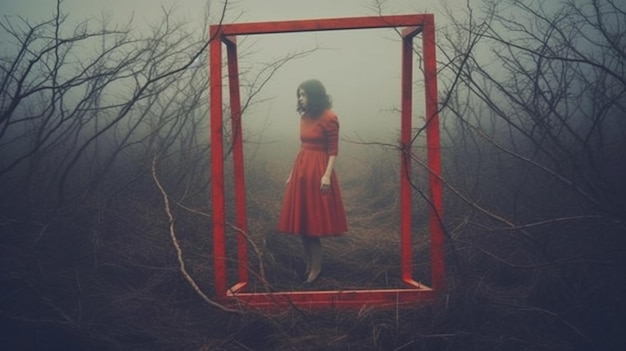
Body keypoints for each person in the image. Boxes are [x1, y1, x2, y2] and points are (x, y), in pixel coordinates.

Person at [278, 79, 348, 284]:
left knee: (312, 225)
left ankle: (316, 269)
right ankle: (309, 265)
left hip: (319, 170)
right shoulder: (305, 116)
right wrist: (293, 172)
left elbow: (333, 150)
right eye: (299, 95)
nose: (300, 99)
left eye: (304, 94)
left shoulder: (330, 117)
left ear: (315, 96)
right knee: (303, 224)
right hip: (302, 170)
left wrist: (326, 175)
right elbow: (303, 147)